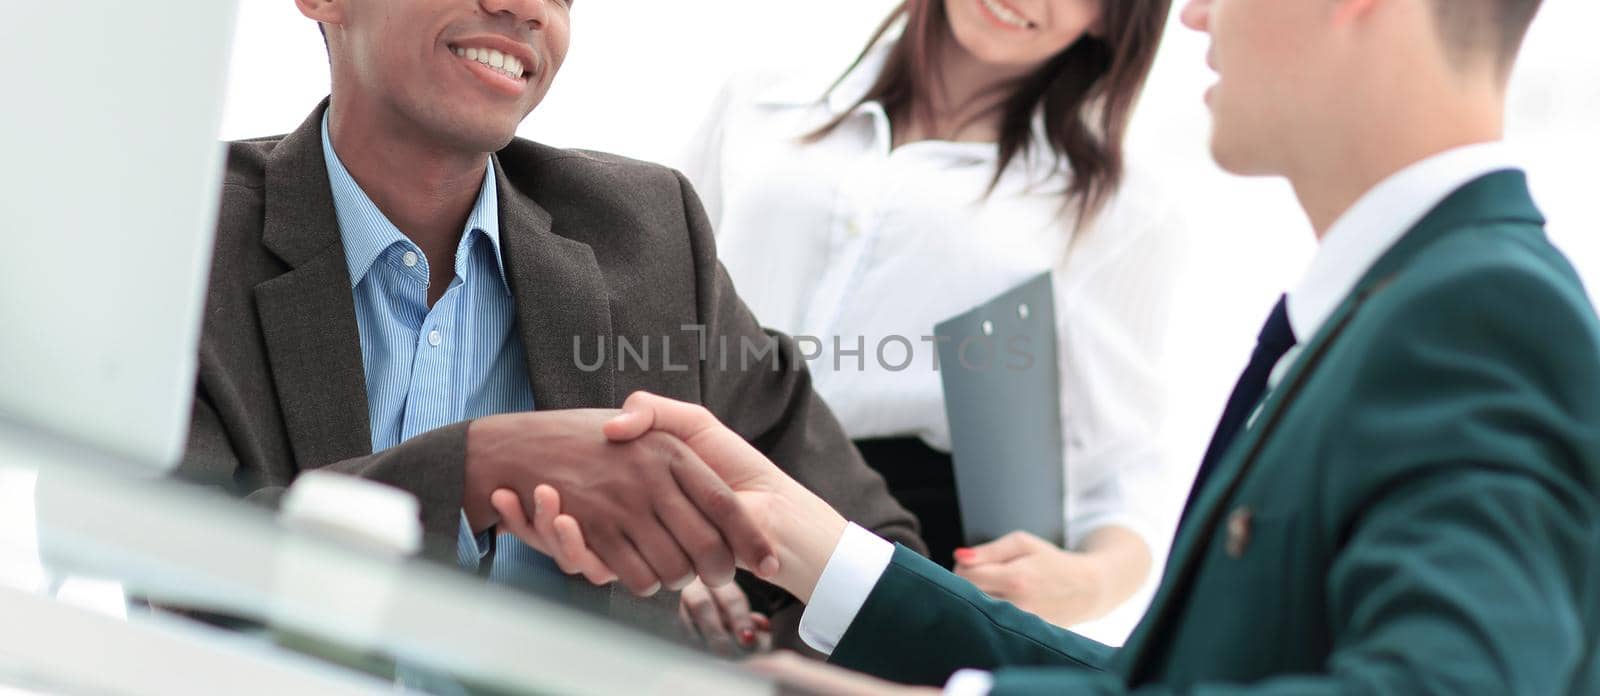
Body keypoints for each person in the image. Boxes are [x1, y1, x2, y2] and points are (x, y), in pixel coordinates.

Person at [522, 0, 1600, 692]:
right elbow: (1166, 680)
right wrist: (806, 540)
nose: (1192, 20)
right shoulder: (1399, 309)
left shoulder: (1477, 318)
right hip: (740, 516)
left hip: (938, 532)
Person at [176, 0, 923, 646]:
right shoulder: (181, 236)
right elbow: (167, 561)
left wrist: (731, 662)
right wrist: (480, 465)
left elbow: (871, 555)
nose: (527, 7)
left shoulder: (650, 237)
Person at [675, 0, 1185, 647]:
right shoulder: (767, 95)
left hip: (904, 551)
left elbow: (1122, 470)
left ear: (1115, 18)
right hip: (706, 483)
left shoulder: (1119, 207)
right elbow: (663, 298)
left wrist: (1082, 584)